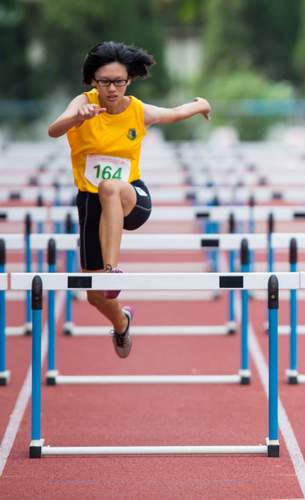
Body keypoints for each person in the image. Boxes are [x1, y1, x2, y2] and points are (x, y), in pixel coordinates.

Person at [47, 41, 211, 358]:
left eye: (119, 82)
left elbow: (175, 114)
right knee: (94, 295)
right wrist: (76, 118)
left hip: (132, 196)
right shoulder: (82, 103)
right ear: (93, 81)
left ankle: (112, 270)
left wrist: (201, 104)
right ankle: (122, 321)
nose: (112, 89)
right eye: (105, 82)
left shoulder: (137, 110)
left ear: (129, 80)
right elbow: (54, 130)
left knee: (110, 185)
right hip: (91, 204)